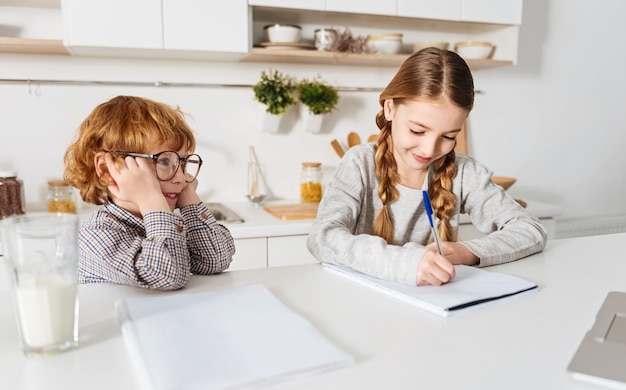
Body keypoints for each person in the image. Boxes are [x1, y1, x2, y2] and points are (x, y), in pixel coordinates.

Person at [307, 48, 547, 287]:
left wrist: (468, 251)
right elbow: (322, 237)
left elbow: (530, 230)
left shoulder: (464, 173)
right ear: (390, 108)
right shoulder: (359, 164)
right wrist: (406, 263)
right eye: (417, 131)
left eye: (449, 136)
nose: (429, 149)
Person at [64, 95, 235, 290]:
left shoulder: (169, 224)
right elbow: (167, 276)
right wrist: (151, 198)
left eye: (183, 163)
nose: (181, 177)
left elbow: (215, 260)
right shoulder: (94, 235)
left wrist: (191, 203)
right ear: (106, 170)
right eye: (164, 161)